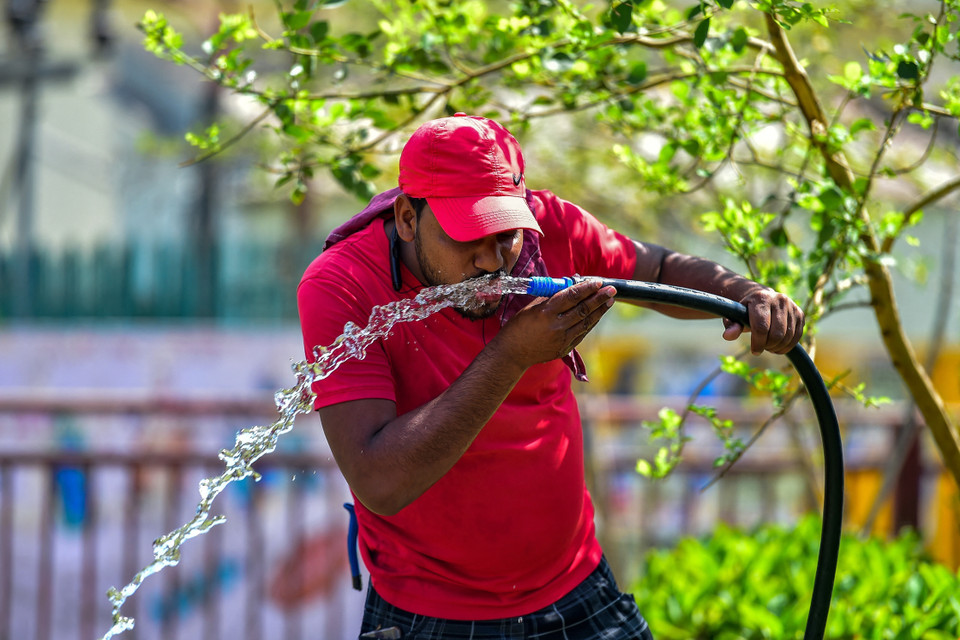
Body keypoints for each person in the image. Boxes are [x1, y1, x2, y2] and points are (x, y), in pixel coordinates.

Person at [297, 113, 804, 640]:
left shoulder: (551, 229)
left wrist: (746, 294)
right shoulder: (342, 285)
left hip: (578, 589)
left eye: (507, 234)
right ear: (406, 218)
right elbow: (381, 481)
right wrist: (512, 355)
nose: (492, 260)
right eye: (470, 234)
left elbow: (654, 270)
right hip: (429, 615)